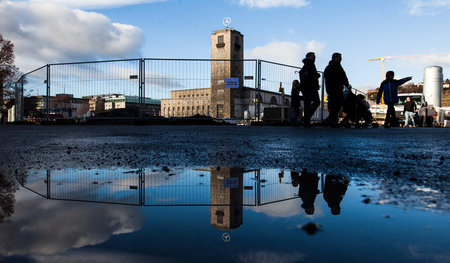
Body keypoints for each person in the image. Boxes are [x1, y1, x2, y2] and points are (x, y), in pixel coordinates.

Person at [324, 53, 349, 127]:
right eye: (340, 57)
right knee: (339, 103)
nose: (341, 59)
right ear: (336, 58)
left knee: (333, 105)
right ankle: (330, 120)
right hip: (337, 89)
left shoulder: (328, 67)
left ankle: (332, 121)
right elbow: (343, 76)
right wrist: (346, 84)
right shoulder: (338, 66)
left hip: (330, 89)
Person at [299, 52, 321, 127]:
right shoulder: (310, 64)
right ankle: (306, 118)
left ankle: (306, 121)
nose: (315, 58)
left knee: (307, 103)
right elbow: (311, 75)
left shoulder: (305, 65)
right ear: (309, 57)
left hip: (306, 87)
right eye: (314, 56)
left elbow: (304, 74)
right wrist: (316, 75)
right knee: (316, 102)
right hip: (311, 86)